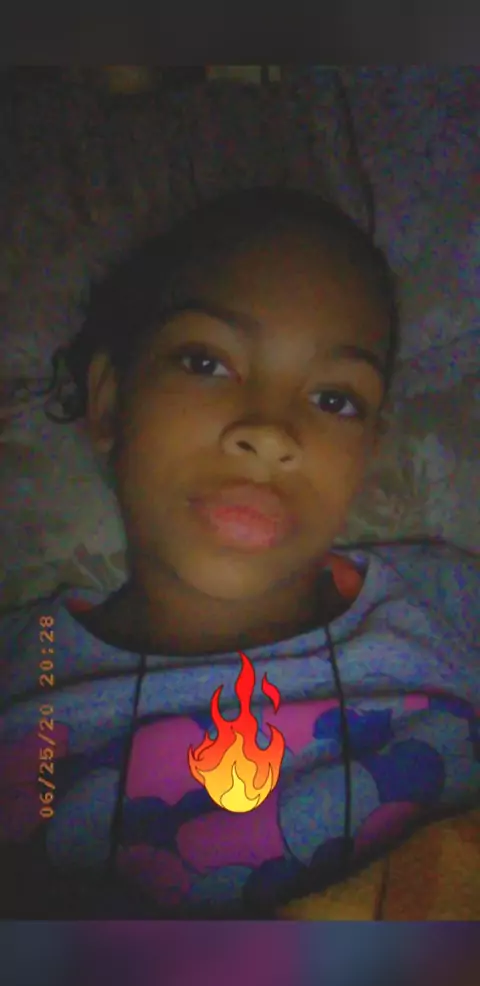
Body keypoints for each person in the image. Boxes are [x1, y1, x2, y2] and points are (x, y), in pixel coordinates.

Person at [0, 187, 478, 919]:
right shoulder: (20, 675)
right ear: (110, 402)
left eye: (335, 400)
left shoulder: (448, 608)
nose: (270, 433)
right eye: (206, 362)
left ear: (369, 450)